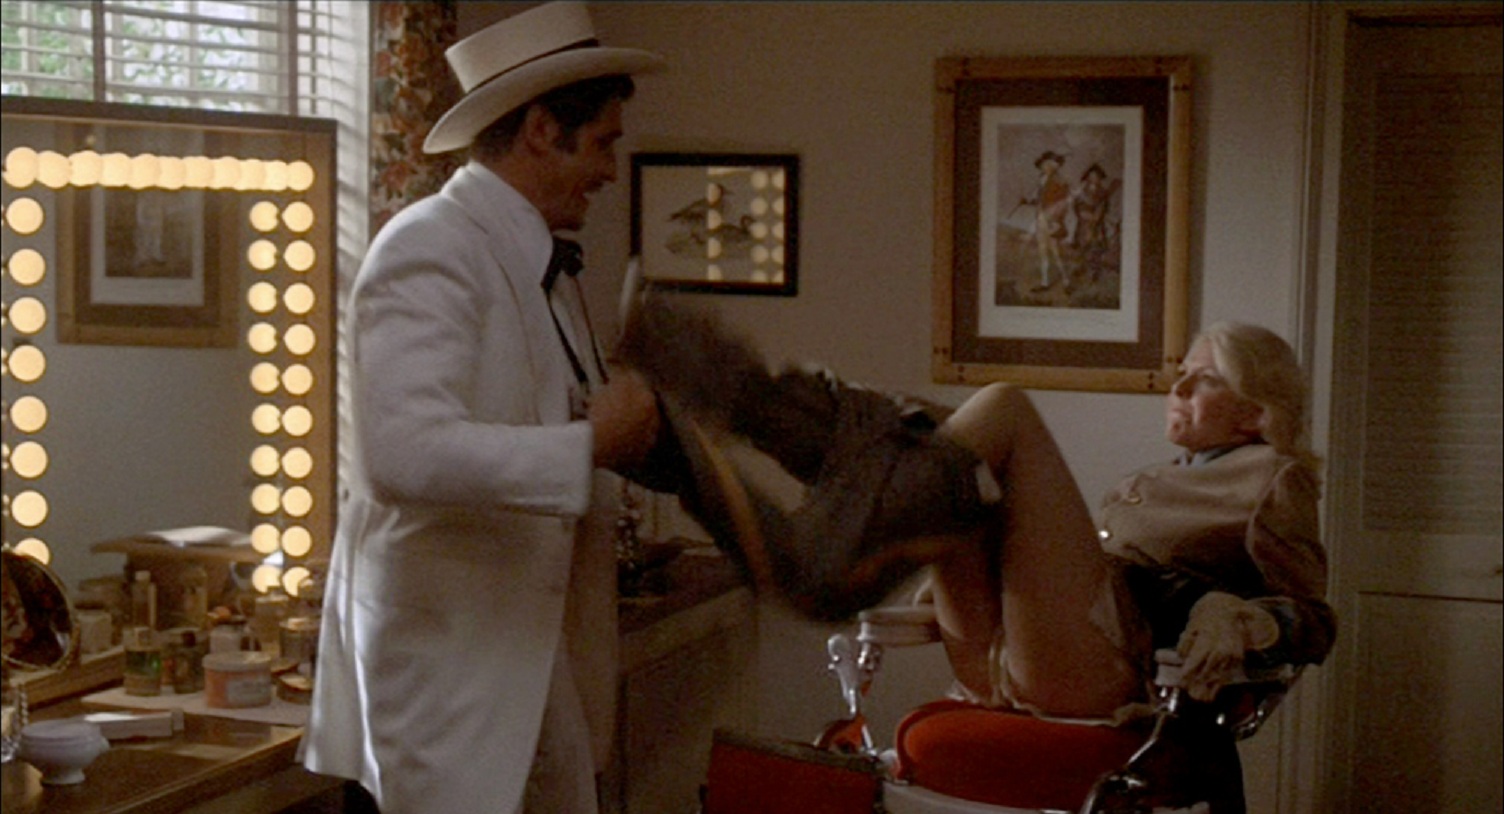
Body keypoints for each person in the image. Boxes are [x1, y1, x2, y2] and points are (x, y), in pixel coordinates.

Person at [617, 300, 1335, 719]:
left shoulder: (1274, 478)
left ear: (1255, 413)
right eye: (1180, 372)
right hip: (1016, 654)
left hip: (1108, 673)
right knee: (945, 453)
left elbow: (1315, 616)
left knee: (1003, 410)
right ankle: (752, 413)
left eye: (1204, 380)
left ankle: (764, 430)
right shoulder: (1168, 474)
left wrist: (1249, 619)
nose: (1176, 388)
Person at [302, 4, 665, 813]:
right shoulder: (429, 245)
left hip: (530, 665)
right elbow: (400, 453)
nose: (610, 171)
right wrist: (588, 445)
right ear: (542, 130)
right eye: (602, 143)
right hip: (448, 686)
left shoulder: (545, 270)